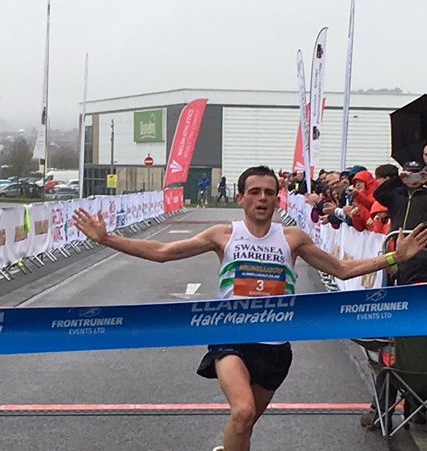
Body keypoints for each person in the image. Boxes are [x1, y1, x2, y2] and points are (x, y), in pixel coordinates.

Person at [73, 165, 427, 451]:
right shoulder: (223, 235)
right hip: (230, 340)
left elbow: (343, 269)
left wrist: (396, 255)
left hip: (274, 349)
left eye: (269, 193)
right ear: (240, 197)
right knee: (242, 413)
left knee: (244, 425)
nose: (262, 198)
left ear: (277, 200)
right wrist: (107, 239)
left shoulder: (293, 239)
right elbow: (164, 253)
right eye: (254, 192)